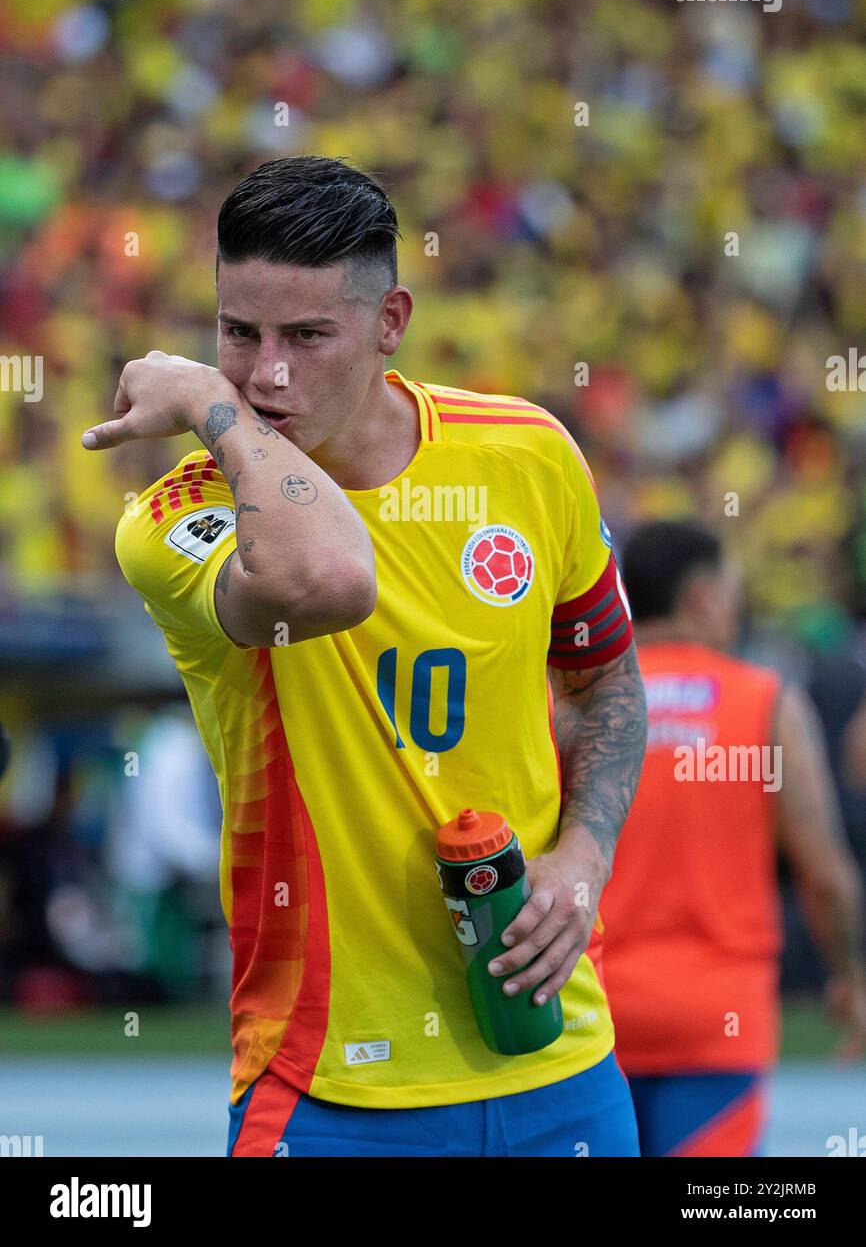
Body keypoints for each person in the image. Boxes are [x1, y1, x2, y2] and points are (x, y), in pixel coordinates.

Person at [82, 155, 647, 1158]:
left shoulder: (525, 454)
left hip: (556, 1062)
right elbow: (330, 576)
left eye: (306, 335)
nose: (266, 375)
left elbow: (605, 675)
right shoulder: (174, 512)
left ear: (390, 322)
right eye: (236, 335)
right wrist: (214, 413)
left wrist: (582, 857)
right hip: (326, 1084)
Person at [599, 520, 866, 1157]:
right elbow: (823, 875)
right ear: (703, 599)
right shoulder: (764, 702)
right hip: (717, 1019)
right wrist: (850, 978)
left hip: (596, 1015)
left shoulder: (584, 704)